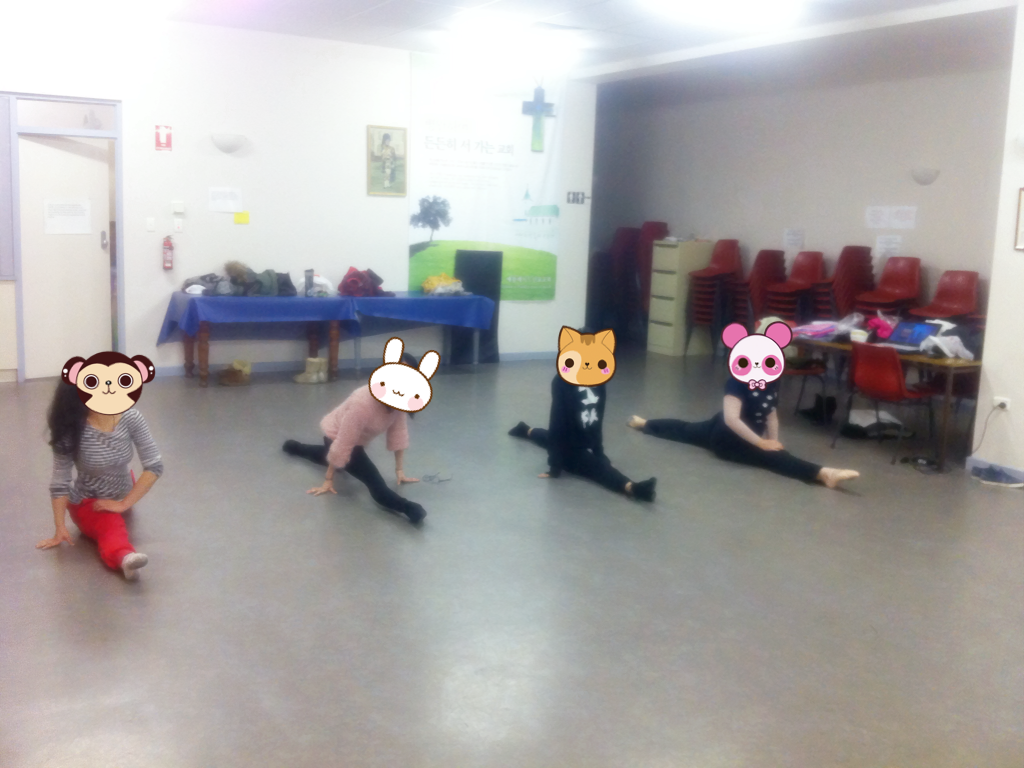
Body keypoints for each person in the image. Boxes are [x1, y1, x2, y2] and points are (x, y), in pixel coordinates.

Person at [628, 375, 860, 489]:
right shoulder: (737, 382)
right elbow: (732, 419)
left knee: (686, 430)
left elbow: (771, 415)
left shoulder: (769, 381)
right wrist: (761, 443)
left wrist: (773, 441)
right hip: (726, 437)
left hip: (729, 429)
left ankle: (645, 424)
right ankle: (824, 474)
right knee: (773, 459)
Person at [283, 349, 431, 525]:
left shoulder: (398, 399)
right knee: (374, 483)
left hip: (355, 441)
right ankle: (409, 508)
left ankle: (294, 447)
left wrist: (399, 471)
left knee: (331, 458)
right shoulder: (362, 404)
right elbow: (343, 443)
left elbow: (398, 434)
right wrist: (328, 480)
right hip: (337, 435)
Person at [509, 326, 656, 502]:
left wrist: (599, 451)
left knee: (554, 441)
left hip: (581, 438)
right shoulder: (561, 382)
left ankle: (526, 430)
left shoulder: (599, 379)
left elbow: (597, 417)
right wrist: (555, 466)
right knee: (593, 466)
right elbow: (557, 423)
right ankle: (632, 487)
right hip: (566, 444)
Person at [37, 382, 163, 579]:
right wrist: (60, 527)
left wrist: (124, 503)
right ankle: (124, 558)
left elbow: (154, 465)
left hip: (122, 492)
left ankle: (120, 515)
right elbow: (60, 482)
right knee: (109, 525)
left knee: (116, 512)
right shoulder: (71, 430)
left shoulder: (131, 417)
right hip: (89, 501)